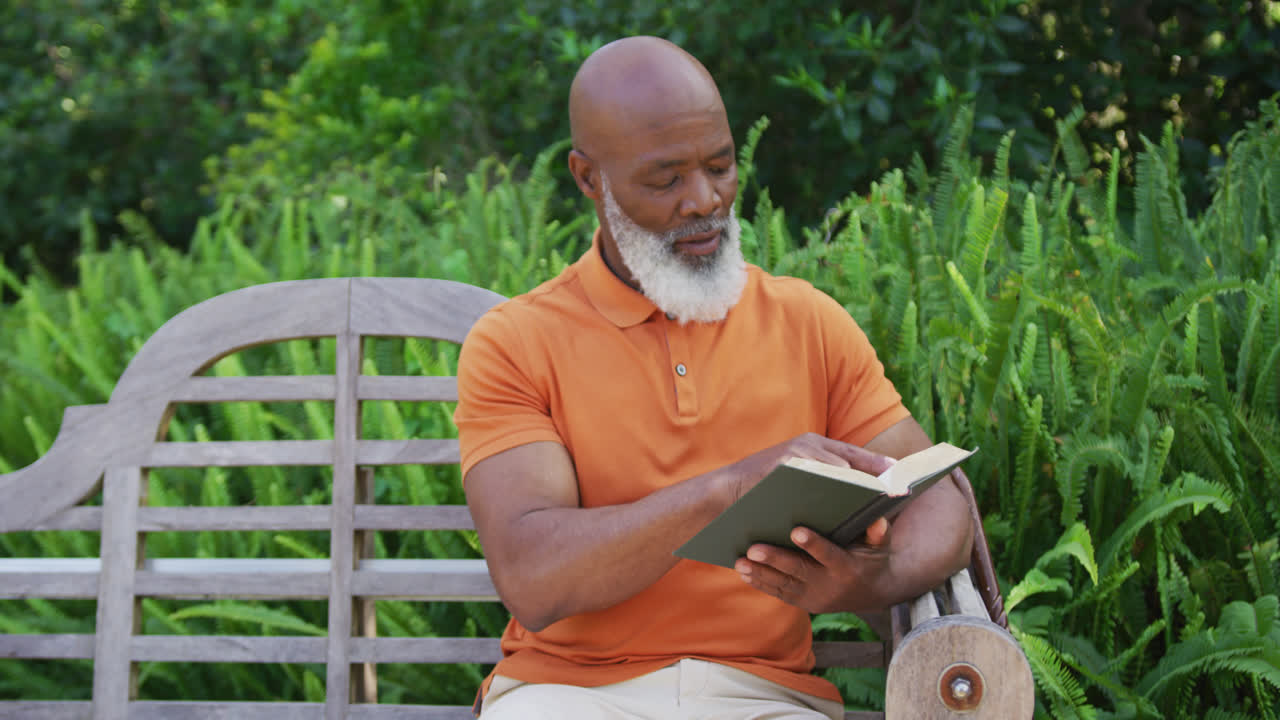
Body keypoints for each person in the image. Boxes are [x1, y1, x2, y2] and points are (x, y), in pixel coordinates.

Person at [453, 35, 974, 719]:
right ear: (588, 178)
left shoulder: (807, 322)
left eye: (721, 167)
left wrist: (869, 581)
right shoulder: (516, 342)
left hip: (765, 697)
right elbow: (534, 577)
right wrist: (727, 490)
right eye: (665, 180)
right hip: (567, 695)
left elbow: (941, 501)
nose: (704, 200)